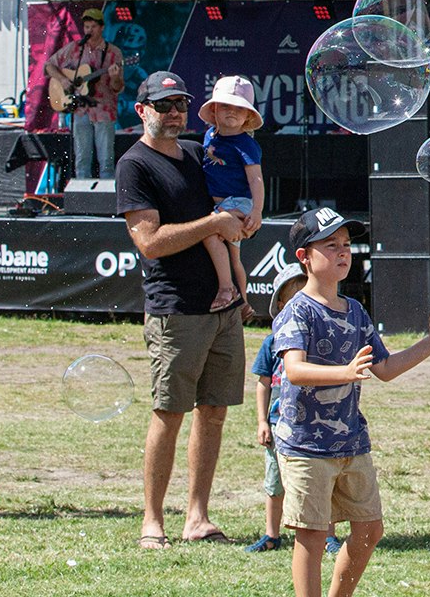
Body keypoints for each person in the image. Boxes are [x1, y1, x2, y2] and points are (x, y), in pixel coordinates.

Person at [273, 207, 430, 597]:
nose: (343, 252)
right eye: (331, 245)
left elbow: (386, 368)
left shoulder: (356, 311)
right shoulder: (298, 311)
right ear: (304, 257)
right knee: (311, 536)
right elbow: (294, 370)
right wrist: (343, 372)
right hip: (305, 444)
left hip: (351, 442)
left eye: (346, 245)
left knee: (369, 529)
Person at [114, 71, 257, 550]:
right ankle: (152, 520)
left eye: (181, 103)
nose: (174, 112)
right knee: (169, 412)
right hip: (175, 308)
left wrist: (242, 219)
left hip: (223, 307)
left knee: (214, 412)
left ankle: (197, 516)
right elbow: (150, 243)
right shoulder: (134, 166)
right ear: (142, 110)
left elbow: (234, 200)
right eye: (164, 104)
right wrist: (212, 223)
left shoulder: (200, 153)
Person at [245, 263, 339, 558]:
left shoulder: (322, 340)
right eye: (294, 296)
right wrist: (262, 421)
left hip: (314, 424)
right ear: (282, 305)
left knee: (324, 483)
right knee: (275, 483)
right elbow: (263, 384)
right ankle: (272, 534)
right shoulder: (272, 343)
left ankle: (329, 536)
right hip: (279, 425)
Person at [199, 76, 266, 314]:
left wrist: (257, 211)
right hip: (221, 203)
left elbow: (256, 179)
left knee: (210, 233)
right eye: (226, 105)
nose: (232, 112)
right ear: (214, 109)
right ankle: (244, 303)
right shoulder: (209, 136)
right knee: (234, 258)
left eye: (239, 108)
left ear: (248, 116)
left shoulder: (246, 145)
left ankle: (227, 289)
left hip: (239, 203)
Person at [43, 7, 124, 179]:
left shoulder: (113, 52)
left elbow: (117, 87)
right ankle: (83, 202)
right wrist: (64, 80)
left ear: (102, 27)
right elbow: (49, 65)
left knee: (106, 161)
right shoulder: (74, 49)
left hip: (103, 110)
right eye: (86, 27)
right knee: (81, 160)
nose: (88, 31)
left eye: (93, 27)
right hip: (80, 109)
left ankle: (105, 201)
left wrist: (115, 77)